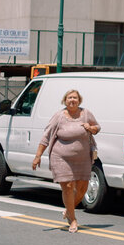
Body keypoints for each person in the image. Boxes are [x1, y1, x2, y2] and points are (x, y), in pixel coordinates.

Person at [31, 89, 101, 233]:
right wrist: (38, 156)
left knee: (82, 189)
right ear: (65, 100)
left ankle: (69, 210)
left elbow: (97, 127)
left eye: (75, 98)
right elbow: (46, 136)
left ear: (79, 100)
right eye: (69, 98)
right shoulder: (59, 116)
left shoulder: (86, 114)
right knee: (68, 186)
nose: (72, 100)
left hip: (82, 158)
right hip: (61, 157)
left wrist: (91, 127)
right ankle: (73, 219)